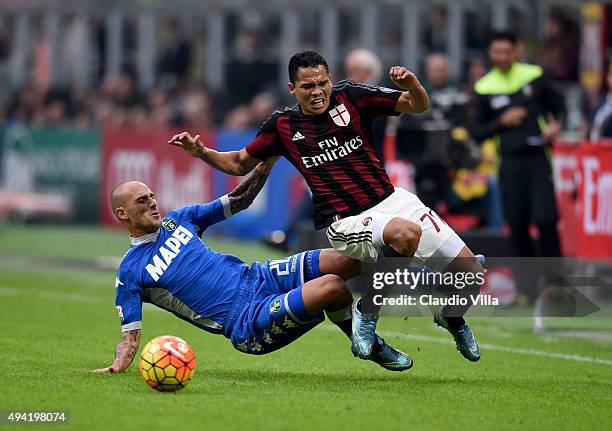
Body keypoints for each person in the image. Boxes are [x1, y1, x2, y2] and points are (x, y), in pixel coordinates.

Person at [169, 50, 483, 363]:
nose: (317, 92)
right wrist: (202, 152)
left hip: (394, 201)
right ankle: (367, 312)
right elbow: (239, 163)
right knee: (405, 234)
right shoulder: (282, 126)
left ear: (330, 79)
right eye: (308, 86)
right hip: (345, 221)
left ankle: (450, 318)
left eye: (322, 83)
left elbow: (418, 104)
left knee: (472, 276)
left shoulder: (352, 96)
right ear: (293, 88)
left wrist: (413, 85)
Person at [92, 160, 413, 374]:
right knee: (332, 287)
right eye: (141, 201)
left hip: (258, 276)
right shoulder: (131, 271)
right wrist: (117, 365)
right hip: (245, 321)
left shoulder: (180, 219)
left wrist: (266, 161)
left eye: (151, 196)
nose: (152, 203)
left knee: (344, 259)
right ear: (123, 215)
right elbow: (130, 338)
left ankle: (375, 322)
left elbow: (239, 199)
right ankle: (373, 346)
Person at [471, 32, 564, 264]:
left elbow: (559, 107)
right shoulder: (484, 88)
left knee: (546, 219)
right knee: (517, 224)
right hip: (509, 162)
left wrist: (556, 125)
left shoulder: (534, 76)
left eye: (507, 51)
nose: (502, 57)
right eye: (497, 52)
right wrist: (500, 122)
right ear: (490, 54)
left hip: (539, 158)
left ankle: (557, 285)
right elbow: (477, 132)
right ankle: (527, 289)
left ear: (516, 51)